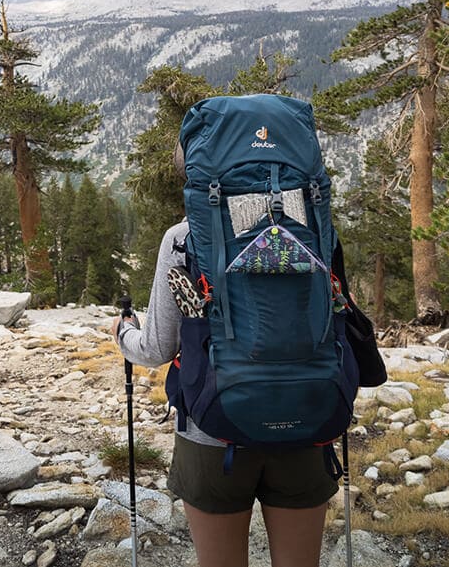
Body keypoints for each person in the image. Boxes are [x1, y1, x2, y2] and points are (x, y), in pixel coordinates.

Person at [110, 147, 337, 567]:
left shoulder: (184, 237)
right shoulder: (314, 228)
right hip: (308, 420)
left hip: (214, 431)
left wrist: (124, 332)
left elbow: (158, 348)